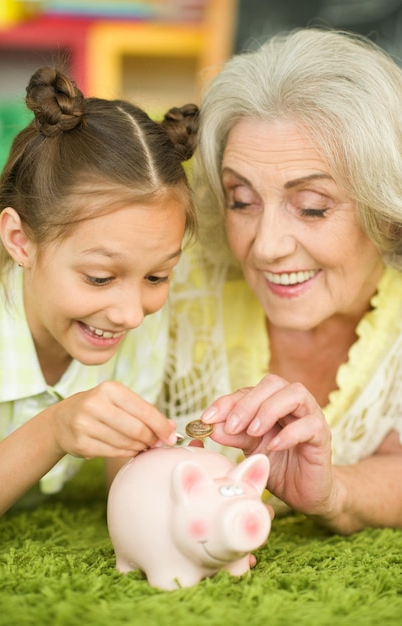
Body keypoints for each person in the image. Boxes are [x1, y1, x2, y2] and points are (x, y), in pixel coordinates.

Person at [160, 27, 402, 534]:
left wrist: (334, 490)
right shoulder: (169, 277)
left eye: (312, 207)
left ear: (387, 210)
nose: (266, 246)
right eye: (241, 200)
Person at [0, 65, 199, 525]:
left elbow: (130, 479)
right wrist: (53, 431)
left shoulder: (139, 312)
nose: (130, 314)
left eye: (157, 277)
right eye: (100, 278)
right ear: (20, 241)